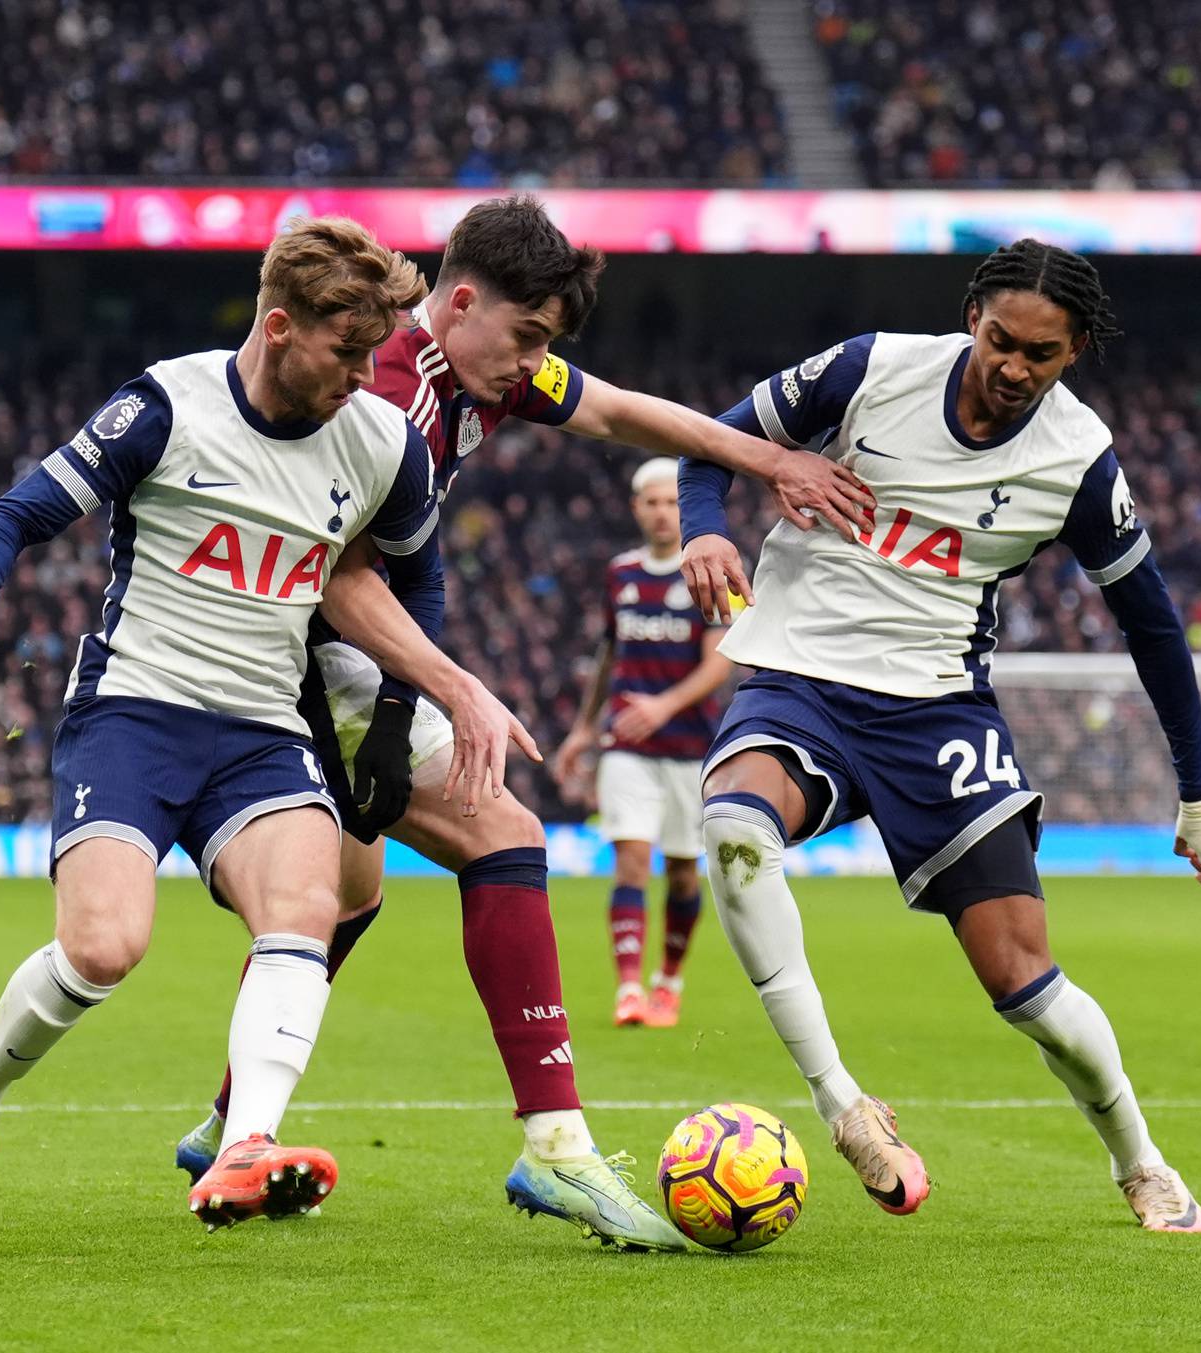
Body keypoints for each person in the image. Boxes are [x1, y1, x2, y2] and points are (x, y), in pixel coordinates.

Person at [170, 195, 872, 1250]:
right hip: (303, 658)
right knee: (506, 837)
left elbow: (623, 411)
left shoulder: (480, 367)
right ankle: (556, 1146)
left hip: (332, 659)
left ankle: (229, 1126)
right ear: (460, 303)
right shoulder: (393, 388)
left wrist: (765, 461)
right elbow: (337, 575)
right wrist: (452, 685)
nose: (536, 362)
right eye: (528, 335)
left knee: (348, 894)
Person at [0, 216, 501, 1251]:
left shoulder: (385, 443)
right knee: (103, 948)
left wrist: (398, 715)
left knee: (305, 909)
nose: (366, 376)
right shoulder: (167, 405)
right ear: (277, 327)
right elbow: (20, 513)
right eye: (348, 353)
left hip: (263, 727)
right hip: (133, 709)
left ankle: (246, 1146)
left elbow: (419, 575)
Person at [677, 239, 1201, 1233]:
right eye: (1001, 340)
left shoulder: (1074, 457)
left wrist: (1200, 794)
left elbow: (1151, 625)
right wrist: (703, 526)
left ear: (1076, 353)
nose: (1015, 368)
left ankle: (1141, 1162)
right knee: (731, 830)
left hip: (938, 711)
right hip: (803, 679)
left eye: (1043, 354)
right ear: (973, 315)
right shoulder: (871, 369)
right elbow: (709, 441)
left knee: (1023, 983)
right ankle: (844, 1106)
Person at [556, 458, 734, 1028]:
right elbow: (610, 656)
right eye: (653, 503)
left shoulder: (710, 570)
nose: (663, 513)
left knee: (683, 872)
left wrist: (662, 705)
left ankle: (669, 983)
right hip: (626, 746)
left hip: (690, 746)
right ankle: (628, 989)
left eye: (673, 503)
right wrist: (586, 727)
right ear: (637, 508)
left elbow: (720, 662)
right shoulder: (620, 574)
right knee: (631, 862)